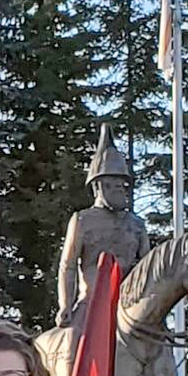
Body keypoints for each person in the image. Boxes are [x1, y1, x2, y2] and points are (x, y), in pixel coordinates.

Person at [55, 125, 150, 325]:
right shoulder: (82, 220)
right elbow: (68, 265)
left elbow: (148, 268)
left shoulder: (136, 225)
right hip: (91, 304)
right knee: (78, 341)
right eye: (112, 182)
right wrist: (65, 304)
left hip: (130, 306)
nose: (119, 187)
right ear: (98, 185)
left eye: (121, 183)